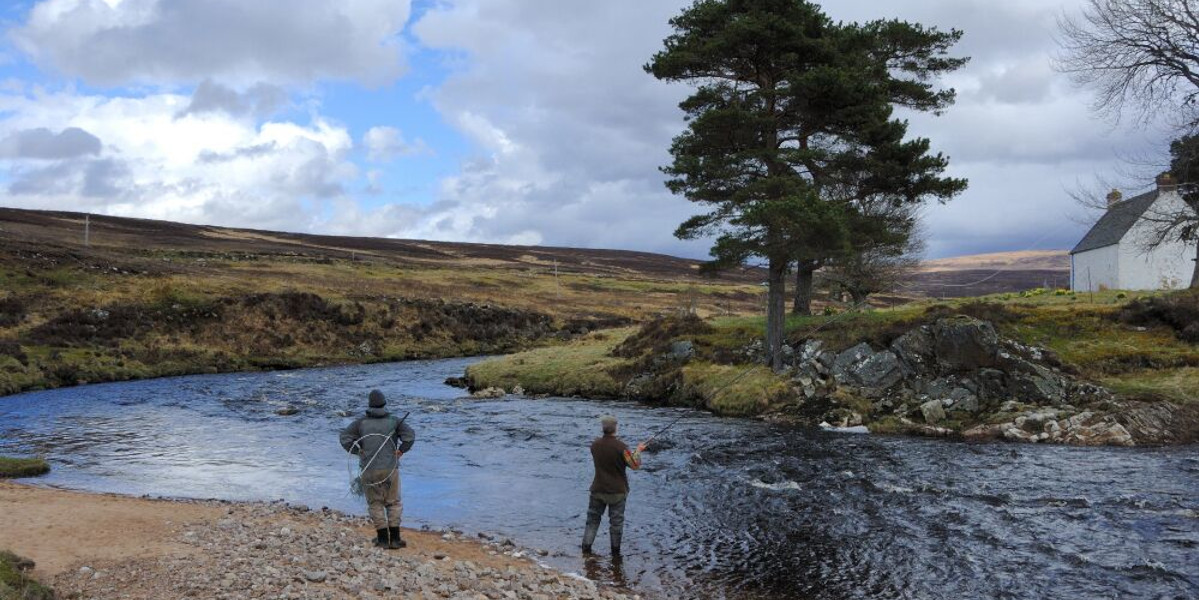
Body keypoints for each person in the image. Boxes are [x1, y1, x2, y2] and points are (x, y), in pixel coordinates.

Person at [339, 389, 415, 549]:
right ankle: (395, 539)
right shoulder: (394, 421)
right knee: (393, 502)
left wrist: (357, 451)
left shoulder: (360, 423)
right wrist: (402, 450)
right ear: (384, 403)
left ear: (369, 405)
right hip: (390, 468)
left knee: (375, 503)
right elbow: (410, 435)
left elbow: (344, 438)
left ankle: (382, 540)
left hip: (369, 469)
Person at [582, 415, 646, 559]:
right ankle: (615, 554)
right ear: (616, 428)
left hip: (597, 489)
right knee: (616, 524)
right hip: (617, 492)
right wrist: (638, 450)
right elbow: (635, 465)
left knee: (592, 520)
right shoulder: (622, 447)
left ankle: (586, 550)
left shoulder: (594, 445)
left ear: (603, 428)